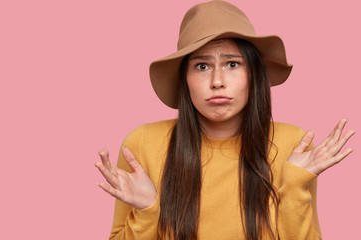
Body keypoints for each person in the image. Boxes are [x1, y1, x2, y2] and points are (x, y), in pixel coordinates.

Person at [94, 1, 355, 239]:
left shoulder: (293, 144)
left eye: (232, 64)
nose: (217, 81)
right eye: (202, 66)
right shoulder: (142, 144)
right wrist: (147, 212)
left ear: (253, 74)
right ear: (184, 78)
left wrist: (295, 187)